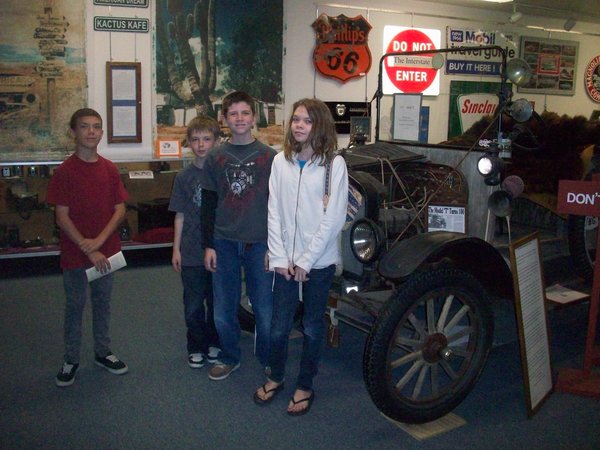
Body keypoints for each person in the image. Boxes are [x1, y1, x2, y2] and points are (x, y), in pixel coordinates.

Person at [253, 98, 348, 415]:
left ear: (319, 125)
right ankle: (276, 376)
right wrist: (280, 257)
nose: (298, 125)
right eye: (295, 119)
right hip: (284, 262)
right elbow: (274, 210)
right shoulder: (281, 161)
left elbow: (333, 219)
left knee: (311, 326)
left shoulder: (334, 165)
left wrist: (306, 261)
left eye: (306, 120)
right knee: (279, 326)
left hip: (318, 264)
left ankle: (305, 384)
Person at [48, 108, 129, 387]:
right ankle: (71, 358)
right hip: (75, 256)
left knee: (103, 303)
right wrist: (87, 248)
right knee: (75, 305)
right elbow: (62, 216)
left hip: (106, 252)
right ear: (74, 132)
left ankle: (103, 352)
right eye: (85, 127)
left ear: (102, 133)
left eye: (96, 127)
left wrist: (99, 243)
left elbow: (119, 211)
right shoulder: (64, 172)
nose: (91, 132)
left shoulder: (109, 169)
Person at [201, 91, 276, 381]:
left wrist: (276, 246)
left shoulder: (270, 158)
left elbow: (278, 206)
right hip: (223, 243)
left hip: (260, 244)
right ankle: (230, 356)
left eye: (245, 113)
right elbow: (208, 205)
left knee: (264, 310)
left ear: (254, 118)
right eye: (233, 114)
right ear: (225, 119)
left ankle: (269, 358)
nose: (240, 119)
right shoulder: (215, 158)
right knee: (223, 308)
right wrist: (208, 245)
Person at [169, 116, 221, 369]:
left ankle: (214, 341)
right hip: (190, 250)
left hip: (218, 249)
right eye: (196, 140)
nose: (201, 145)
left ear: (216, 142)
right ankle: (195, 345)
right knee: (192, 303)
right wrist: (175, 249)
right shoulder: (183, 177)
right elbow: (179, 214)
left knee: (216, 301)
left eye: (207, 139)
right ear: (189, 143)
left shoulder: (222, 174)